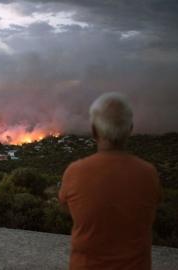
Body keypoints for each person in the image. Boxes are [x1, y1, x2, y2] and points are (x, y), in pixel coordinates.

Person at [59, 92, 161, 270]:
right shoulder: (148, 173)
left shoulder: (75, 172)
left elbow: (67, 208)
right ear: (130, 129)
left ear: (93, 130)